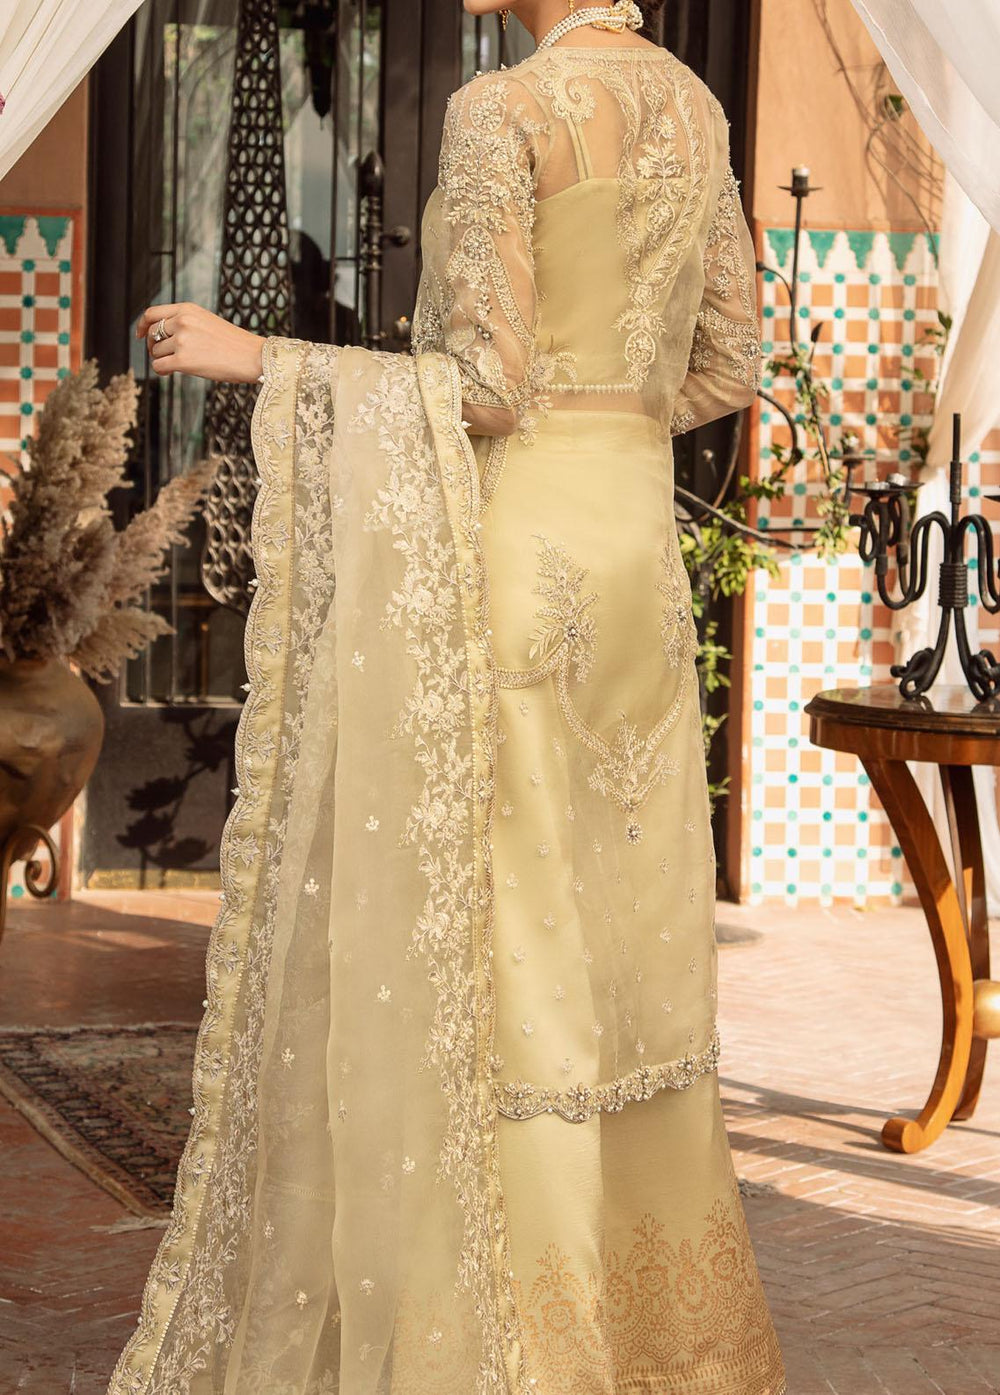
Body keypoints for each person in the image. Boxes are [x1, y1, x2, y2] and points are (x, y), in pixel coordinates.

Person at [111, 2, 785, 1391]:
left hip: (520, 564)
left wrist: (260, 356)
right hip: (635, 570)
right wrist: (610, 416)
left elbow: (481, 389)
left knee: (508, 952)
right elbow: (731, 367)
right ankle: (651, 1345)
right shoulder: (699, 109)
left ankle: (511, 1346)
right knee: (622, 954)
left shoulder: (505, 111)